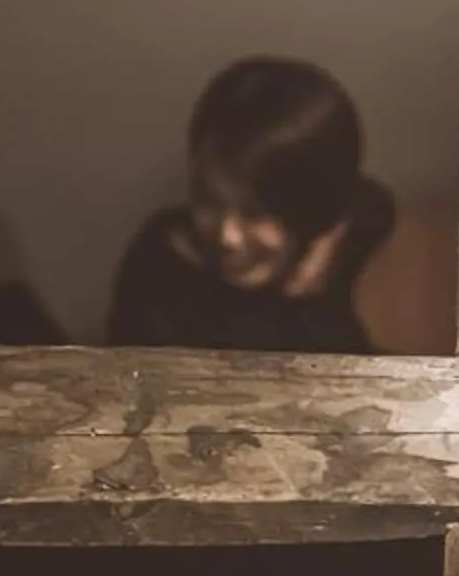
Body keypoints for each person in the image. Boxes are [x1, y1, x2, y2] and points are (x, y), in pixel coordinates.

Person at [107, 56, 397, 353]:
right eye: (209, 199)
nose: (226, 235)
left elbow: (375, 200)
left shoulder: (336, 234)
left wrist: (321, 253)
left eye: (254, 212)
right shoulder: (155, 271)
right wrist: (296, 303)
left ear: (312, 212)